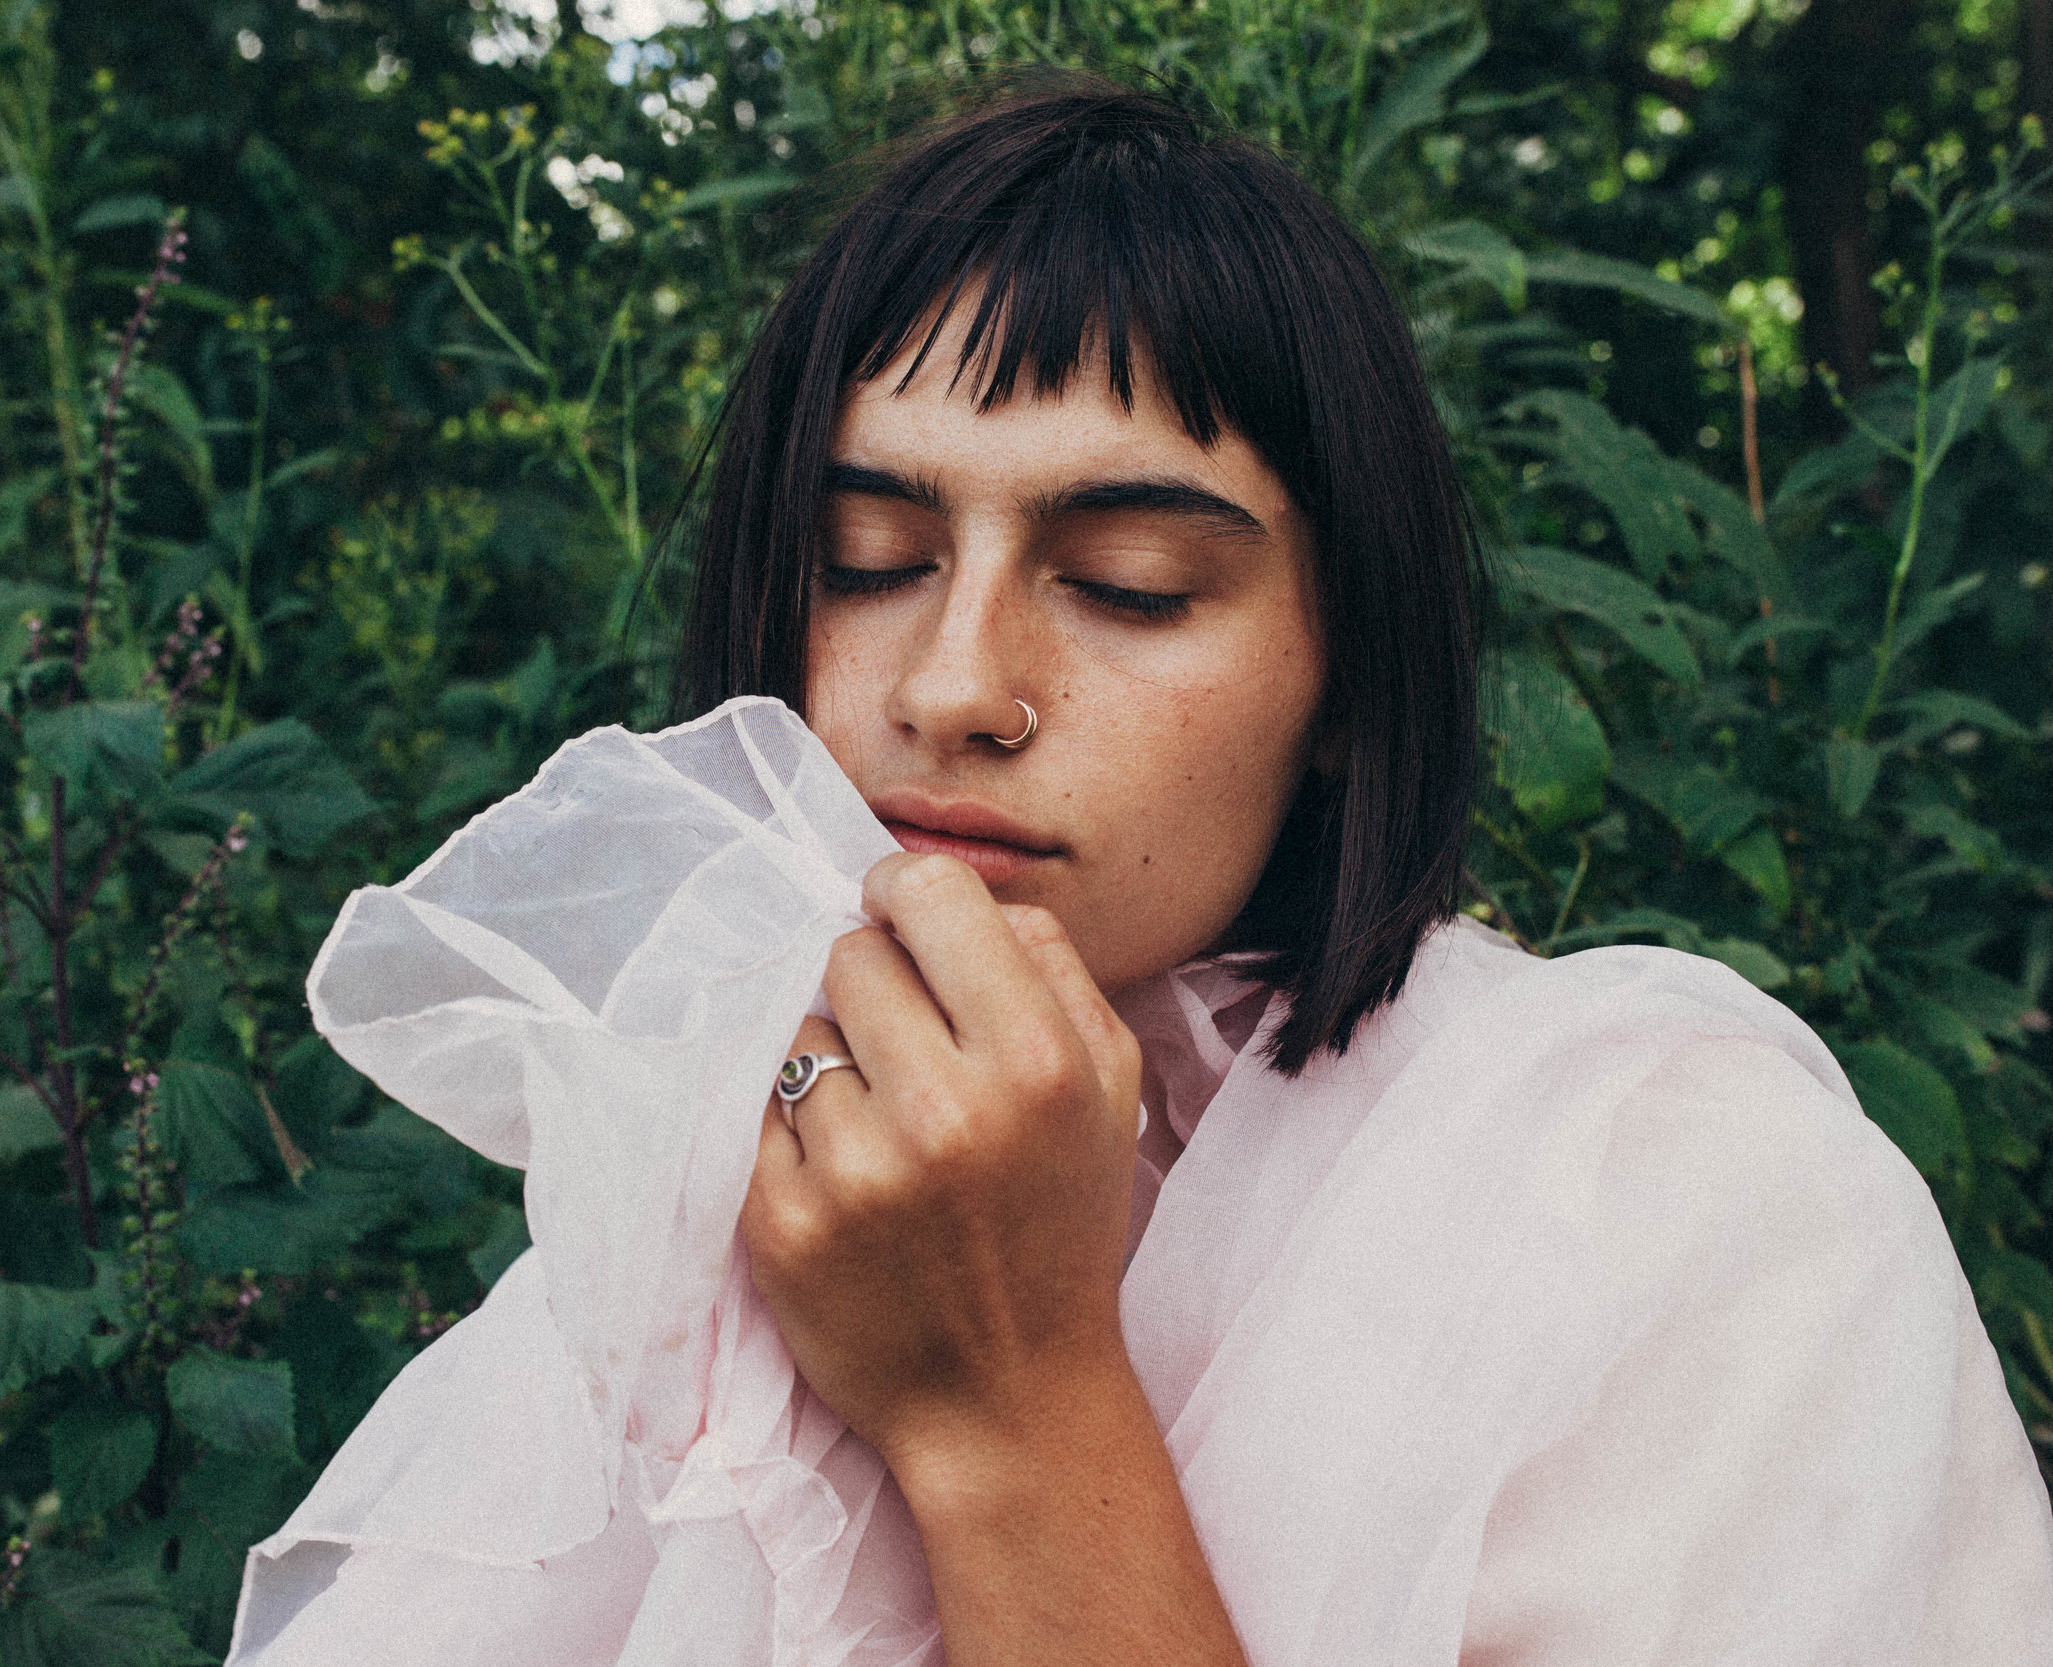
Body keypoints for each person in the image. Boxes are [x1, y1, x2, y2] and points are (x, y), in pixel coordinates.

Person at [239, 78, 2053, 1665]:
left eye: (1129, 587)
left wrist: (1012, 1414)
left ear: (1348, 672)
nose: (951, 688)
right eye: (865, 557)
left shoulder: (1682, 1208)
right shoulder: (732, 1187)